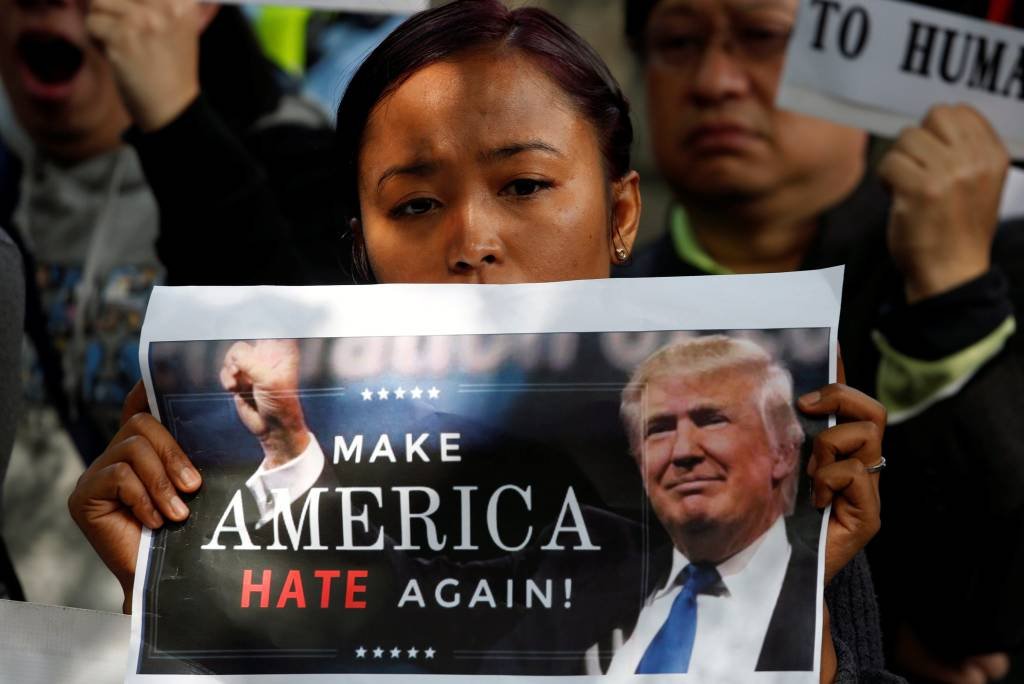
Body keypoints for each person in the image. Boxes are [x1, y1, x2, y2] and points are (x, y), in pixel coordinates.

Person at [68, 1, 897, 681]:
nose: (472, 239)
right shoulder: (278, 508)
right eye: (416, 205)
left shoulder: (745, 476)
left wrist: (783, 610)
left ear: (620, 215)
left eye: (526, 185)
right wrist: (170, 595)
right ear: (360, 250)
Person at [619, 1, 1023, 681]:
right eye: (679, 42)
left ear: (868, 66)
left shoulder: (989, 270)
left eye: (762, 39)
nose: (716, 80)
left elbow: (984, 615)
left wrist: (953, 299)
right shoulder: (596, 312)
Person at [0, 0, 340, 465]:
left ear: (195, 9)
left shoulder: (294, 160)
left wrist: (175, 124)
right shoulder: (9, 175)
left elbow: (304, 382)